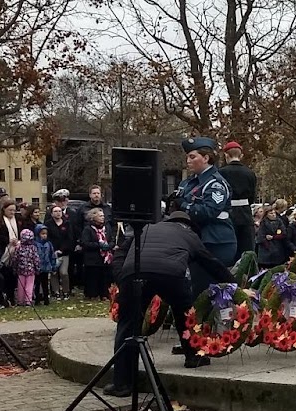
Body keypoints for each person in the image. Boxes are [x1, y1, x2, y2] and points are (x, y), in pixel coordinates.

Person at [107, 208, 234, 394]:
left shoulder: (146, 228)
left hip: (134, 273)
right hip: (171, 274)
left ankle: (122, 384)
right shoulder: (189, 234)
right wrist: (234, 284)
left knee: (127, 325)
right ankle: (193, 357)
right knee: (184, 312)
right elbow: (211, 263)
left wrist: (122, 278)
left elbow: (119, 254)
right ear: (189, 225)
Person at [175, 137, 238, 267]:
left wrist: (183, 205)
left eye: (192, 157)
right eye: (187, 157)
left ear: (206, 158)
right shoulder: (189, 183)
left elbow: (210, 211)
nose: (188, 161)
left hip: (215, 242)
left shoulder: (215, 184)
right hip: (195, 240)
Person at [220, 140, 258, 259]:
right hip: (245, 213)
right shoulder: (250, 173)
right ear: (241, 155)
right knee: (246, 250)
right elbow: (252, 195)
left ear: (226, 155)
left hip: (228, 213)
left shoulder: (221, 172)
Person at [79, 207, 114, 299]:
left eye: (103, 216)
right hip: (92, 258)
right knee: (92, 277)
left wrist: (109, 246)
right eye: (100, 216)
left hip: (105, 258)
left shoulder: (107, 227)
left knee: (105, 277)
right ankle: (92, 294)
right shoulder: (88, 229)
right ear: (93, 217)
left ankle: (104, 294)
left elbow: (112, 239)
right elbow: (85, 243)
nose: (103, 218)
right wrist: (99, 245)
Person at [47, 202, 75, 298]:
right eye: (55, 211)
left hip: (64, 252)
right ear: (51, 213)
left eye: (59, 211)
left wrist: (62, 250)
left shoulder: (67, 223)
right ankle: (56, 291)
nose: (58, 213)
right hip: (52, 252)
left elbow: (70, 238)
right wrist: (53, 250)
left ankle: (66, 291)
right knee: (54, 273)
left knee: (64, 272)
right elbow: (48, 238)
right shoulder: (48, 224)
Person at [33, 224, 58, 305]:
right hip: (37, 268)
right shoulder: (35, 244)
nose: (44, 236)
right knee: (37, 284)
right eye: (42, 234)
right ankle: (37, 299)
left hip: (46, 267)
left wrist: (53, 266)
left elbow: (52, 256)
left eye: (45, 234)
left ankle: (46, 298)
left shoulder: (49, 244)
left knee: (45, 283)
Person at [14, 227, 39, 306]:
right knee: (29, 285)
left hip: (20, 270)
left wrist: (14, 268)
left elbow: (15, 259)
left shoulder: (18, 247)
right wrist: (37, 268)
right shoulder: (33, 248)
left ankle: (20, 301)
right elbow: (36, 259)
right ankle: (28, 300)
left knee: (20, 285)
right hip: (30, 270)